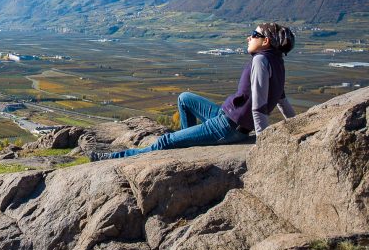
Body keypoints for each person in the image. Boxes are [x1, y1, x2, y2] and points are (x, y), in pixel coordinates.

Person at [89, 23, 296, 162]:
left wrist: (263, 142)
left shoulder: (260, 60)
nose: (248, 37)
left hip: (228, 127)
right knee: (184, 98)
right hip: (225, 117)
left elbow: (259, 107)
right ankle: (186, 141)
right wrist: (297, 125)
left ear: (266, 41)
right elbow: (283, 101)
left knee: (164, 142)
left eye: (254, 34)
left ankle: (112, 158)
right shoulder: (277, 62)